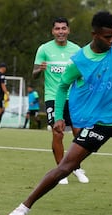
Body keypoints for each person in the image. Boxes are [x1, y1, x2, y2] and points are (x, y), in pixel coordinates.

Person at [6, 10, 112, 215]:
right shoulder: (80, 60)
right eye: (107, 37)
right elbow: (62, 87)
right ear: (94, 34)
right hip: (97, 122)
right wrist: (60, 116)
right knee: (65, 168)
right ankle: (24, 207)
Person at [32, 17, 88, 184]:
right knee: (58, 132)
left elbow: (83, 73)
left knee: (80, 134)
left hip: (74, 97)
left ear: (68, 30)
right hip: (53, 97)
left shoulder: (76, 50)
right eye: (57, 29)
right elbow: (34, 74)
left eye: (64, 28)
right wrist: (39, 70)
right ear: (53, 31)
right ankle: (61, 171)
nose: (61, 32)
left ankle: (76, 167)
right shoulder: (44, 49)